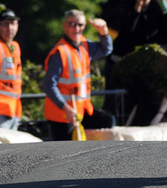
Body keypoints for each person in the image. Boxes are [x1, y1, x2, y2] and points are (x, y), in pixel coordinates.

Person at [43, 9, 116, 140]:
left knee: (108, 121)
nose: (77, 28)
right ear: (64, 25)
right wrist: (66, 109)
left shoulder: (85, 45)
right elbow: (49, 85)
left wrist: (104, 32)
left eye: (80, 25)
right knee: (67, 151)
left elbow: (106, 49)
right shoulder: (60, 52)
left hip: (81, 110)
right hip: (62, 115)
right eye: (72, 24)